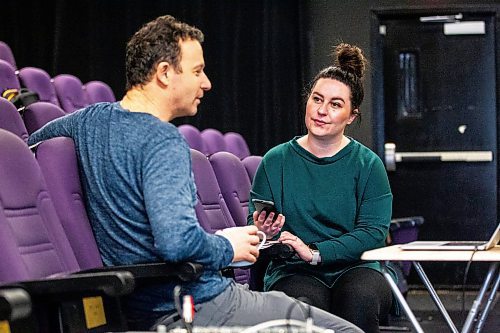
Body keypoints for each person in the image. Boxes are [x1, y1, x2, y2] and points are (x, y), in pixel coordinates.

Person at [27, 15, 362, 332]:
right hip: (195, 304)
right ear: (164, 73)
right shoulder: (162, 140)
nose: (206, 82)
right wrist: (227, 246)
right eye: (197, 71)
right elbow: (177, 243)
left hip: (151, 302)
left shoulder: (88, 120)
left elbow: (31, 138)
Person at [248, 43, 394, 333]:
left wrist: (314, 251)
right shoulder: (275, 161)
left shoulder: (368, 164)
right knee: (304, 306)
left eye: (335, 104)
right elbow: (257, 231)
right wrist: (263, 233)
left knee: (358, 300)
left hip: (357, 268)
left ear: (352, 116)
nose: (322, 111)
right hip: (292, 270)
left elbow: (373, 234)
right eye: (317, 99)